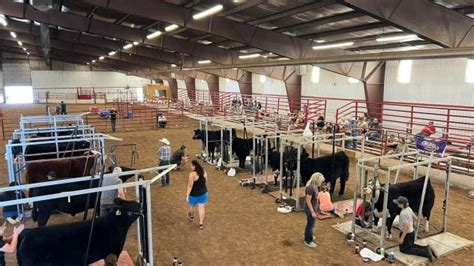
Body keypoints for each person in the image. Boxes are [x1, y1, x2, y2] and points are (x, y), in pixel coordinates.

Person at [395, 196, 436, 262]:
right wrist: (413, 224)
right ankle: (426, 248)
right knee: (411, 245)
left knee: (405, 249)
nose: (397, 204)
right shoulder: (409, 208)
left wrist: (402, 238)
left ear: (401, 204)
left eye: (398, 203)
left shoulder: (403, 214)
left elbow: (406, 227)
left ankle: (426, 253)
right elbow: (415, 218)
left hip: (407, 233)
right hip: (412, 232)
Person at [304, 172, 325, 248]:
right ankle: (308, 240)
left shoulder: (314, 186)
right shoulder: (310, 188)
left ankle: (309, 235)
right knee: (310, 225)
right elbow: (308, 200)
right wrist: (312, 212)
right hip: (310, 209)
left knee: (311, 224)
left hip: (313, 208)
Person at [186, 160, 208, 230]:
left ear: (194, 166)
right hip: (204, 193)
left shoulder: (192, 174)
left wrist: (187, 195)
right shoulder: (204, 172)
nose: (190, 167)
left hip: (194, 194)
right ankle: (201, 224)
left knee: (191, 206)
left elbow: (190, 185)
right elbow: (206, 182)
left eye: (191, 165)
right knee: (201, 208)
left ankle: (192, 216)